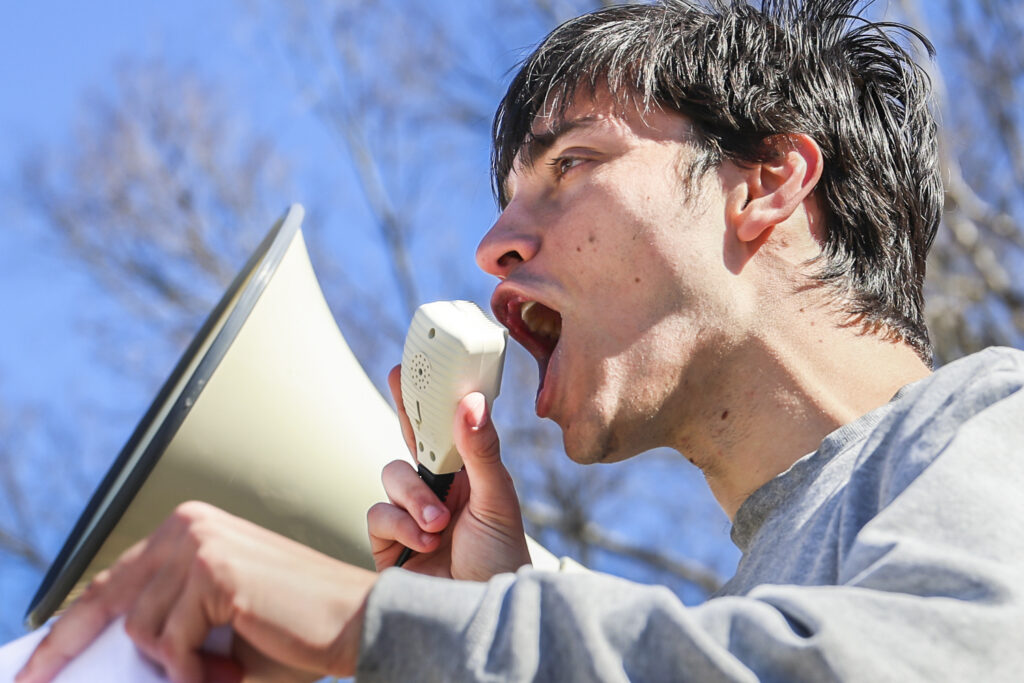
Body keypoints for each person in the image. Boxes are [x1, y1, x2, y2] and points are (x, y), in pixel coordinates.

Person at [18, 0, 1024, 681]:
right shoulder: (759, 595)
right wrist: (484, 605)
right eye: (507, 202)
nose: (494, 246)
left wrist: (381, 625)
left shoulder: (995, 421)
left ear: (768, 182)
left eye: (573, 163)